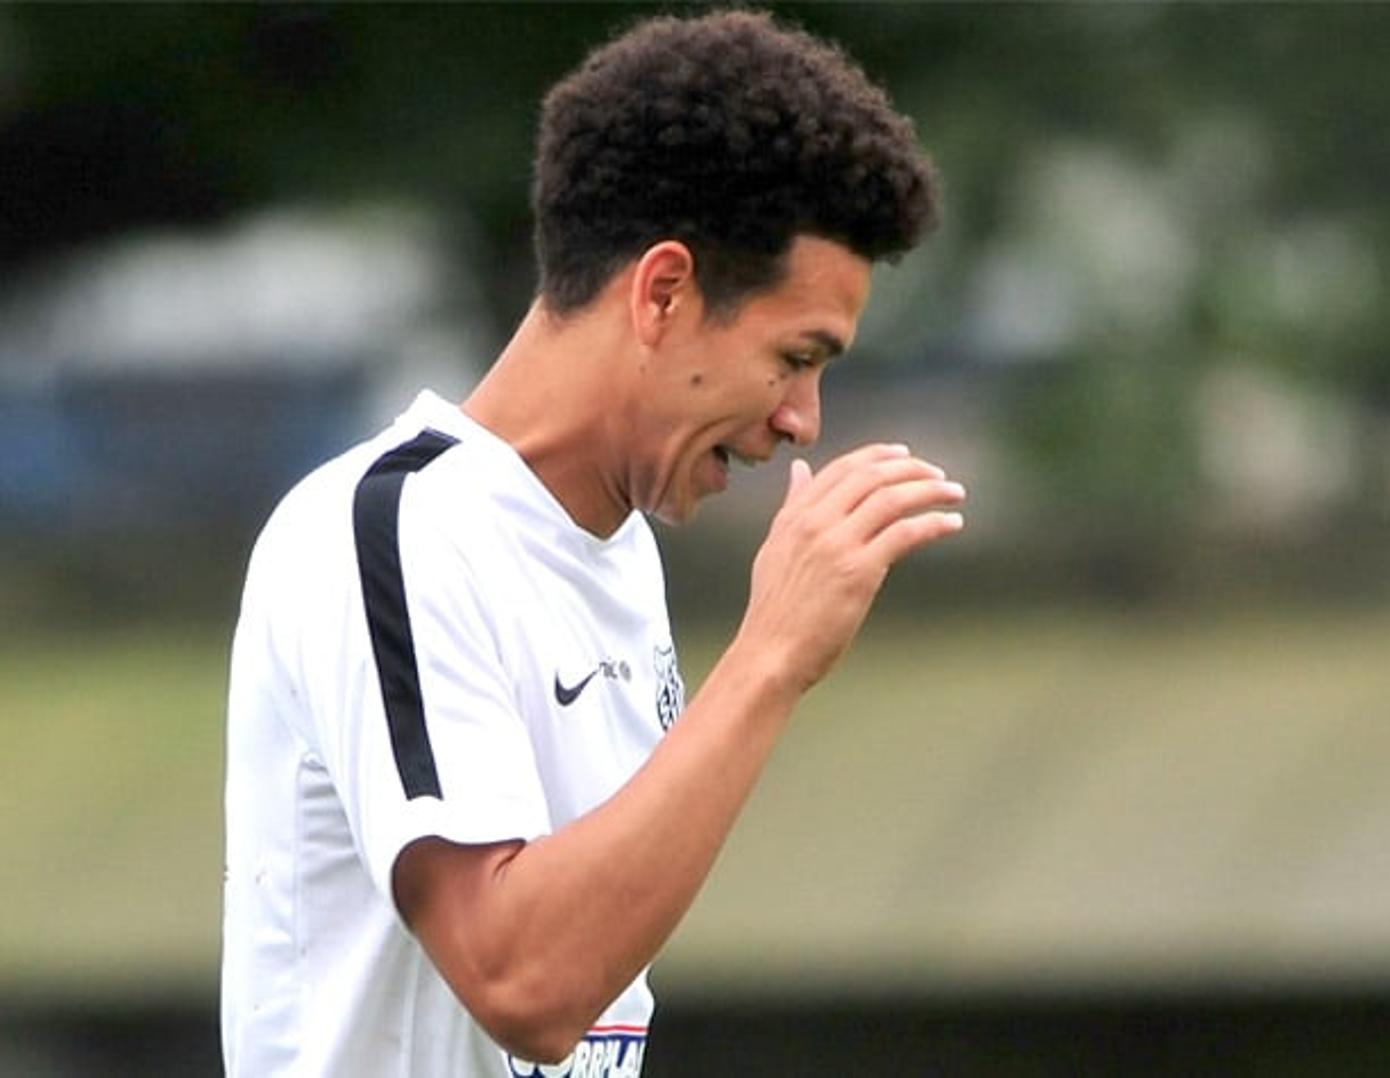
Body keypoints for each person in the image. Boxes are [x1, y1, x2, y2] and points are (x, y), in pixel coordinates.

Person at [220, 11, 959, 1075]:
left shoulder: (616, 552)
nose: (804, 418)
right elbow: (525, 980)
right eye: (795, 357)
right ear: (663, 292)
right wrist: (769, 658)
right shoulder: (392, 530)